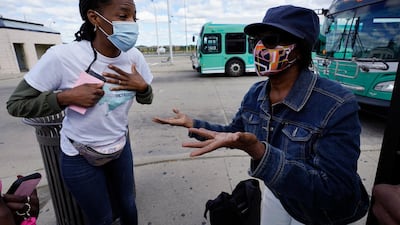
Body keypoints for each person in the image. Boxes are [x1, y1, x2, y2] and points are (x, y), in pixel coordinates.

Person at [153, 5, 369, 225]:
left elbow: (336, 190)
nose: (258, 47)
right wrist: (193, 124)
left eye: (270, 40)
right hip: (278, 194)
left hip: (321, 215)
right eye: (256, 40)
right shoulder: (256, 93)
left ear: (298, 49)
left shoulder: (337, 104)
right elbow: (234, 133)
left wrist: (260, 152)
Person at [6, 0, 153, 224]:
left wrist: (142, 87)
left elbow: (147, 98)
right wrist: (64, 97)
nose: (132, 24)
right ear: (94, 18)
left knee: (128, 206)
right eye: (124, 17)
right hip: (79, 155)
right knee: (101, 218)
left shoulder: (135, 57)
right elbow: (16, 104)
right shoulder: (62, 56)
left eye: (135, 17)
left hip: (120, 148)